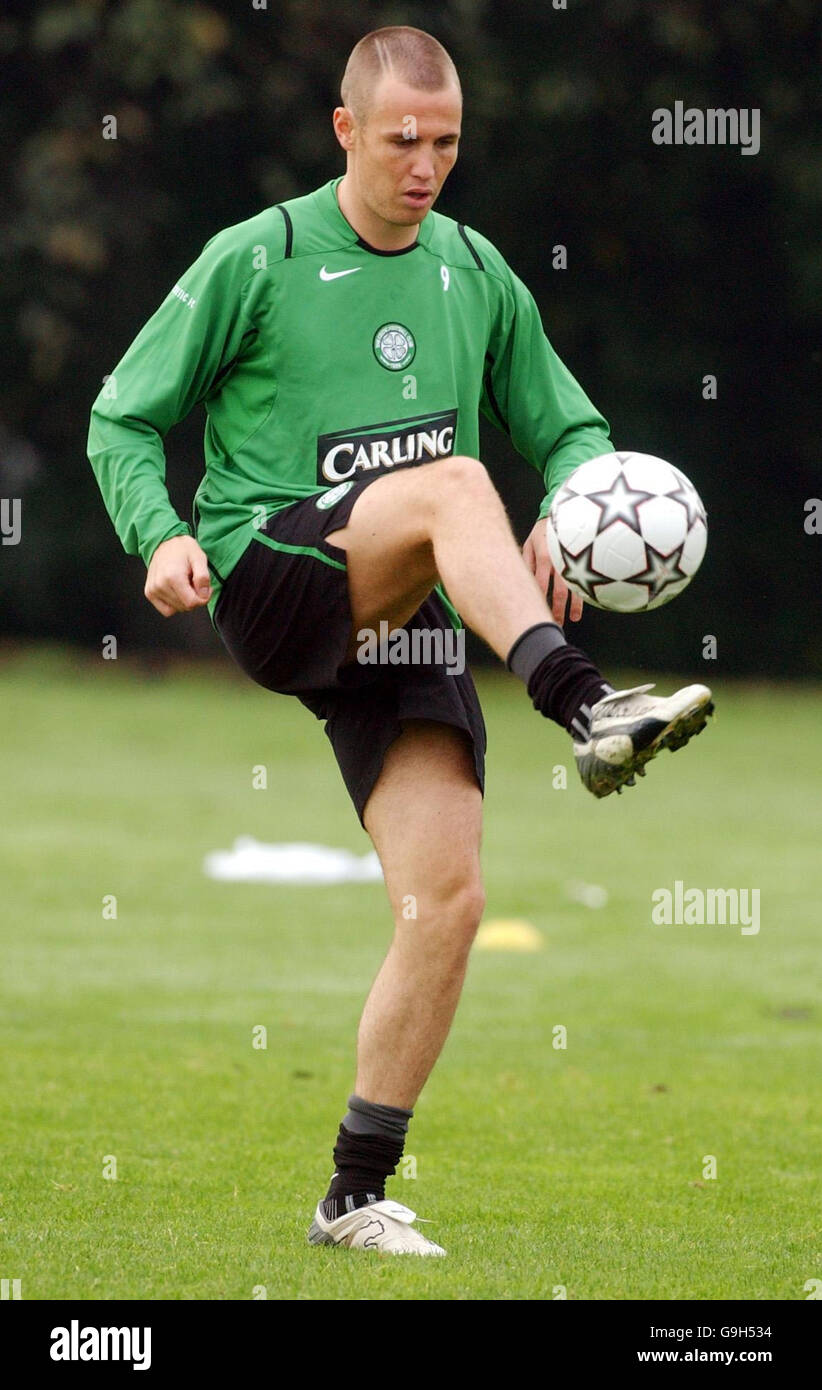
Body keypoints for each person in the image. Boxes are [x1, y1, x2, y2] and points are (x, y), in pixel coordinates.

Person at [88, 25, 712, 1257]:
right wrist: (158, 534)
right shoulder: (256, 258)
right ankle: (586, 705)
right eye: (401, 140)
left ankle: (353, 1192)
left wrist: (575, 507)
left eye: (446, 143)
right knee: (451, 481)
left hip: (403, 618)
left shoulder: (474, 268)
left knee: (448, 899)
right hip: (273, 572)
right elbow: (123, 413)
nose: (425, 165)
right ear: (344, 132)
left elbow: (570, 426)